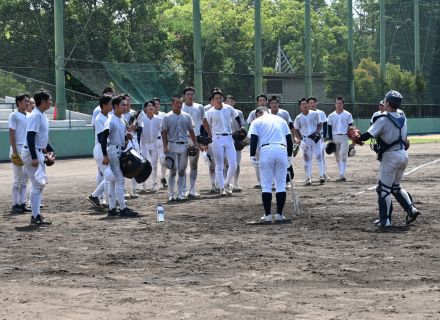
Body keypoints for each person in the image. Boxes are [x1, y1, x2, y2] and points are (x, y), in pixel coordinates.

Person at [353, 90, 420, 227]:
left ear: (388, 103)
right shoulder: (402, 115)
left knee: (383, 189)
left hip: (390, 157)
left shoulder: (383, 119)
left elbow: (368, 135)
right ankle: (411, 209)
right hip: (403, 155)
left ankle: (386, 220)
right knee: (395, 187)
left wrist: (357, 137)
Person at [248, 106, 293, 222]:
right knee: (281, 185)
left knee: (267, 185)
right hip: (282, 149)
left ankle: (267, 215)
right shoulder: (281, 120)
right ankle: (279, 214)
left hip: (266, 150)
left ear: (257, 113)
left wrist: (252, 155)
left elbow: (253, 139)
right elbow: (289, 139)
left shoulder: (256, 121)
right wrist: (289, 156)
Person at [100, 95, 138, 217]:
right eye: (123, 104)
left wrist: (127, 135)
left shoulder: (122, 120)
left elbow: (121, 138)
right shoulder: (111, 120)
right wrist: (105, 155)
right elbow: (102, 138)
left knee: (113, 181)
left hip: (118, 150)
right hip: (112, 151)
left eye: (126, 105)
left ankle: (112, 209)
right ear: (116, 106)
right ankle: (123, 208)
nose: (125, 107)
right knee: (120, 180)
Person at [21, 89, 55, 225]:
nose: (50, 102)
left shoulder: (41, 115)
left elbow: (42, 138)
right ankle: (35, 217)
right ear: (42, 102)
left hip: (37, 151)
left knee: (39, 185)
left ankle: (36, 216)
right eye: (49, 100)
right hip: (32, 153)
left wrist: (51, 151)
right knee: (37, 185)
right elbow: (30, 137)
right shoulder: (35, 115)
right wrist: (34, 157)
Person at [204, 89, 241, 196]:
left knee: (233, 164)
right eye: (216, 98)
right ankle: (221, 188)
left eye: (220, 98)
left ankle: (226, 183)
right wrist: (209, 135)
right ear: (213, 100)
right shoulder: (209, 112)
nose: (219, 100)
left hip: (229, 137)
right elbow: (205, 124)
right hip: (217, 138)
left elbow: (237, 117)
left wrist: (241, 127)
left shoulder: (228, 108)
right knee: (219, 165)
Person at [162, 95, 197, 201]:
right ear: (172, 104)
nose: (179, 105)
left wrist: (194, 144)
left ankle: (181, 192)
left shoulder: (186, 116)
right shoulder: (167, 117)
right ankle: (171, 193)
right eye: (177, 103)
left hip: (184, 145)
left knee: (182, 170)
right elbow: (164, 132)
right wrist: (165, 146)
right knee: (173, 171)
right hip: (172, 145)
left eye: (180, 103)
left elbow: (191, 131)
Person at [182, 86, 210, 198]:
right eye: (188, 94)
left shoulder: (199, 107)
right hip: (183, 139)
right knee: (182, 166)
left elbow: (204, 121)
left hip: (196, 139)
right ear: (184, 96)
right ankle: (183, 190)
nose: (190, 96)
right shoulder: (181, 107)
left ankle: (192, 189)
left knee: (194, 165)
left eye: (192, 94)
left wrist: (209, 133)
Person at [87, 95, 113, 209]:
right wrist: (105, 155)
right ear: (103, 106)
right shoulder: (99, 119)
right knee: (109, 176)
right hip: (101, 150)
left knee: (110, 176)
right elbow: (102, 138)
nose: (112, 106)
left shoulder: (109, 116)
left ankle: (95, 196)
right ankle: (109, 202)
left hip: (106, 149)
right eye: (110, 104)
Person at [293, 98, 324, 185]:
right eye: (302, 104)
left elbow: (320, 123)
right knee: (307, 159)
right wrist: (298, 139)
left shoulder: (315, 114)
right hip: (305, 140)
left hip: (315, 138)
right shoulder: (298, 118)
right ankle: (308, 178)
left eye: (306, 103)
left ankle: (321, 176)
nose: (305, 105)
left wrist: (317, 132)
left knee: (319, 157)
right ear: (300, 106)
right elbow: (296, 129)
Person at [9, 94, 31, 214]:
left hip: (27, 150)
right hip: (17, 148)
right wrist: (15, 152)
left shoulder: (29, 115)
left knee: (25, 179)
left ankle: (22, 203)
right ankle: (15, 204)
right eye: (25, 101)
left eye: (28, 101)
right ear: (18, 102)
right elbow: (11, 134)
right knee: (17, 179)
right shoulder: (14, 115)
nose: (27, 103)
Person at [327, 97, 354, 181]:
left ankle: (342, 175)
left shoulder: (348, 114)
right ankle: (341, 173)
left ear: (343, 104)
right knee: (337, 157)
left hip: (344, 137)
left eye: (340, 103)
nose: (339, 105)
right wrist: (330, 139)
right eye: (337, 103)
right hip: (334, 137)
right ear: (335, 104)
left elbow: (351, 126)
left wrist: (353, 136)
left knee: (343, 156)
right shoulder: (331, 115)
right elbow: (329, 128)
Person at [138, 100, 162, 192]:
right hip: (144, 143)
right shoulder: (142, 119)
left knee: (154, 165)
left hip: (154, 143)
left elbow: (163, 131)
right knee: (143, 164)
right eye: (148, 106)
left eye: (152, 105)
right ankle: (143, 185)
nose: (151, 107)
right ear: (145, 108)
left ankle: (154, 184)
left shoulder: (159, 119)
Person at [247, 94, 268, 189]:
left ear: (266, 101)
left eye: (264, 100)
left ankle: (269, 180)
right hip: (257, 139)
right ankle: (259, 180)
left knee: (268, 160)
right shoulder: (253, 113)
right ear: (257, 102)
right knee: (257, 161)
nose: (262, 102)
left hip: (267, 139)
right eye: (260, 100)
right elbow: (250, 125)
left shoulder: (269, 112)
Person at [225, 95, 245, 191]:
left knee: (237, 163)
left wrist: (241, 136)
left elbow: (242, 126)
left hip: (236, 139)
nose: (230, 103)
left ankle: (235, 183)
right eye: (228, 101)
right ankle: (226, 183)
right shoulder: (223, 112)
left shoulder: (239, 113)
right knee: (226, 164)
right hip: (226, 139)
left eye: (231, 101)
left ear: (234, 102)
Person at [308, 97, 329, 181]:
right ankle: (309, 175)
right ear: (308, 104)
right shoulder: (306, 113)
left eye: (313, 102)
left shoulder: (321, 113)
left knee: (321, 156)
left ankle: (323, 173)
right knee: (309, 157)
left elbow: (325, 124)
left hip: (319, 137)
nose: (312, 104)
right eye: (310, 103)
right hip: (309, 138)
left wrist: (325, 137)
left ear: (316, 103)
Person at [153, 97, 168, 189]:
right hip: (152, 141)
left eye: (158, 104)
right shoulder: (147, 116)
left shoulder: (164, 115)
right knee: (153, 163)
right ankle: (154, 182)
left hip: (162, 140)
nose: (156, 106)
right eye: (154, 104)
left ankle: (163, 178)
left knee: (163, 161)